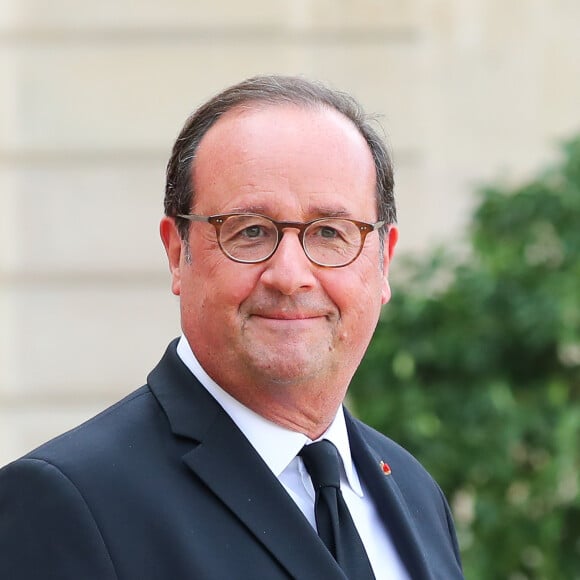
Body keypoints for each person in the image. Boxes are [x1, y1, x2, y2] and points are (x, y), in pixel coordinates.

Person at [0, 75, 463, 579]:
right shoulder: (67, 503)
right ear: (179, 254)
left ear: (383, 261)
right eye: (250, 231)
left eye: (331, 232)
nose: (289, 276)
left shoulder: (415, 494)